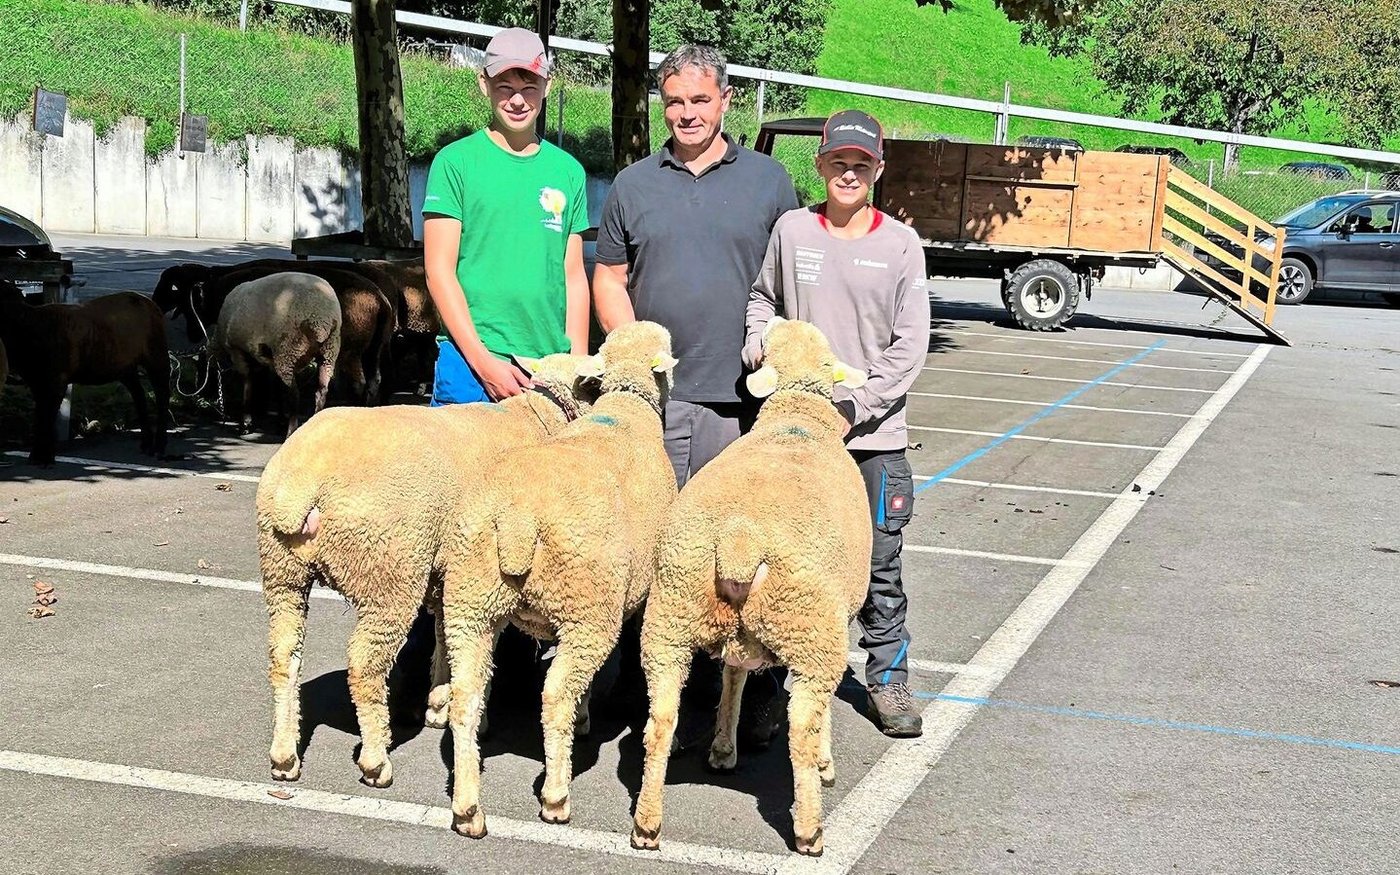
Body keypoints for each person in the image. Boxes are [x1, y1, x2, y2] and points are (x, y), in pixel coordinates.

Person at [592, 44, 799, 749]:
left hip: (741, 406)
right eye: (674, 101)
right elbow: (610, 278)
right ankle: (642, 689)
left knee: (730, 556)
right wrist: (639, 352)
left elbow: (788, 284)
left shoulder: (771, 184)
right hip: (659, 405)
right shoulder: (632, 186)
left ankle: (737, 695)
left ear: (726, 101)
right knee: (651, 546)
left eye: (699, 100)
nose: (686, 113)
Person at [745, 109, 931, 738]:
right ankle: (773, 688)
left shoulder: (901, 245)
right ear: (820, 165)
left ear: (876, 171)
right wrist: (756, 339)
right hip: (795, 437)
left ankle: (888, 679)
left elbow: (910, 345)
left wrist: (856, 406)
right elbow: (763, 299)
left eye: (862, 164)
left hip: (870, 439)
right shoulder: (792, 231)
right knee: (786, 562)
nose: (848, 174)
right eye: (838, 162)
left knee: (880, 563)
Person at [422, 27, 591, 405]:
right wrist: (483, 363)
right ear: (484, 85)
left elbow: (573, 275)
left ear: (547, 86)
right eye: (504, 87)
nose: (517, 100)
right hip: (470, 364)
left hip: (548, 367)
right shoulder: (455, 163)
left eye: (529, 87)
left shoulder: (569, 172)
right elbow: (438, 270)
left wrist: (575, 364)